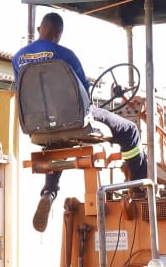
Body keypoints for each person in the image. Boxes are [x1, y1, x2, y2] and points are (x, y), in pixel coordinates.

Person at [13, 12, 146, 232]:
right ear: (58, 33)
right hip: (74, 120)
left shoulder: (17, 58)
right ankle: (139, 188)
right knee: (130, 130)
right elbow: (83, 91)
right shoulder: (66, 55)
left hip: (38, 127)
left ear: (39, 29)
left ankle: (48, 192)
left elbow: (22, 91)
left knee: (59, 141)